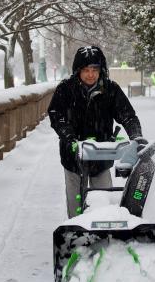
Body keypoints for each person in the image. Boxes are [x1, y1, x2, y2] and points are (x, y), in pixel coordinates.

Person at [48, 45, 147, 218]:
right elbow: (57, 116)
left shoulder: (110, 90)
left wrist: (136, 135)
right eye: (86, 70)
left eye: (95, 69)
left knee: (103, 201)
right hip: (73, 157)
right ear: (78, 70)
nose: (91, 74)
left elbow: (128, 116)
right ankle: (77, 233)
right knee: (76, 205)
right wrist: (70, 138)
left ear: (102, 70)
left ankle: (103, 234)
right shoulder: (66, 89)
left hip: (101, 156)